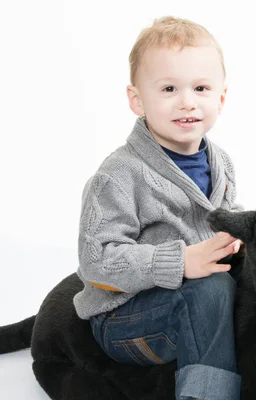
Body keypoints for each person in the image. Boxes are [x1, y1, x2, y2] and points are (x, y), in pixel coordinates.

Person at [72, 15, 244, 400]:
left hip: (194, 297)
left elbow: (223, 215)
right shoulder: (119, 175)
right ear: (138, 100)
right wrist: (181, 262)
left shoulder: (223, 163)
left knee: (251, 278)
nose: (187, 101)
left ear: (221, 97)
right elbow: (96, 260)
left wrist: (242, 236)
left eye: (201, 88)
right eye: (168, 88)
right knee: (211, 289)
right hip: (125, 318)